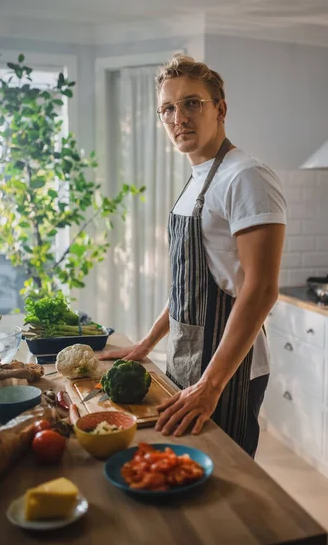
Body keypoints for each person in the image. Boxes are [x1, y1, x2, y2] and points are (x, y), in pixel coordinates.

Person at [99, 54, 286, 458]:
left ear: (220, 109)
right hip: (187, 360)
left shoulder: (246, 176)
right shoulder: (197, 179)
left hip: (228, 371)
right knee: (184, 472)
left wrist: (211, 385)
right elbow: (189, 282)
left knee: (224, 485)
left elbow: (262, 288)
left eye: (191, 103)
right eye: (167, 108)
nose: (178, 116)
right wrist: (148, 342)